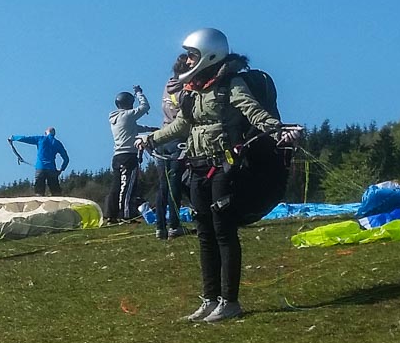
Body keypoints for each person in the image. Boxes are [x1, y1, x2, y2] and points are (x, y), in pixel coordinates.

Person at [138, 28, 295, 323]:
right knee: (204, 234)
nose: (187, 60)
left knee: (224, 232)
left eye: (191, 55)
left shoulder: (230, 84)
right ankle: (209, 300)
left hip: (223, 167)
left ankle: (230, 302)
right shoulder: (193, 90)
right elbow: (181, 126)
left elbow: (252, 111)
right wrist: (151, 139)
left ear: (209, 55)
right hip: (196, 167)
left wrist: (278, 130)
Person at [154, 55, 189, 239]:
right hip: (177, 139)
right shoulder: (185, 91)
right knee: (174, 184)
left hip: (162, 137)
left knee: (163, 186)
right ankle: (174, 225)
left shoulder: (167, 87)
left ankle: (160, 227)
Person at [107, 85, 153, 221]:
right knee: (127, 187)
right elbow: (145, 107)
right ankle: (126, 215)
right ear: (129, 103)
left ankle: (111, 215)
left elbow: (134, 128)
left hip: (117, 156)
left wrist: (150, 129)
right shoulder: (127, 115)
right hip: (128, 156)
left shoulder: (116, 118)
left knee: (116, 187)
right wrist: (139, 93)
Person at [9, 127, 70, 195]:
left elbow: (26, 138)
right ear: (54, 134)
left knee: (39, 193)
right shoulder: (57, 143)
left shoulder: (40, 139)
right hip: (52, 169)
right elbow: (66, 159)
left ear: (45, 133)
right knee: (56, 193)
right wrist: (61, 169)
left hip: (40, 168)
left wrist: (14, 138)